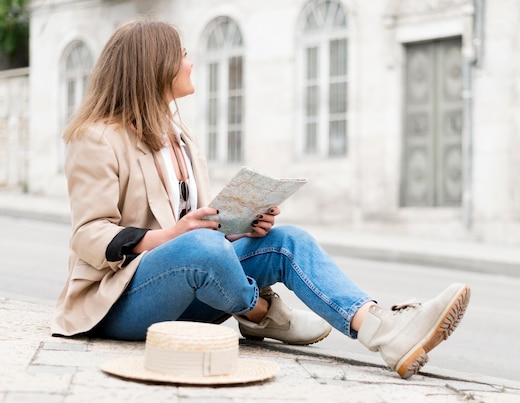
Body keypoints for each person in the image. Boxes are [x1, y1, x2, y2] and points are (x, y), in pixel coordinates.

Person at [52, 18, 471, 379]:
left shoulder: (182, 139)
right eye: (182, 54)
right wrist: (173, 236)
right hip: (122, 303)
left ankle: (383, 331)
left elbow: (199, 231)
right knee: (202, 246)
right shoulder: (97, 137)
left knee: (288, 241)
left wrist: (239, 226)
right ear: (155, 65)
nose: (190, 62)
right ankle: (259, 313)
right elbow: (88, 235)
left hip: (195, 284)